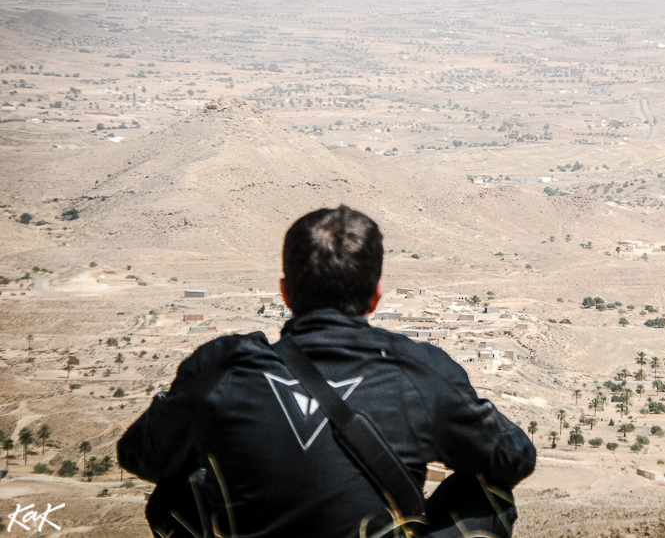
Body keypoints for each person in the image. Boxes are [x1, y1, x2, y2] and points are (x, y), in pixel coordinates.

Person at [118, 206, 536, 538]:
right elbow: (513, 458)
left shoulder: (224, 371)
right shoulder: (417, 373)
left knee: (175, 489)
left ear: (284, 293)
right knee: (488, 491)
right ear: (376, 296)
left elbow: (140, 456)